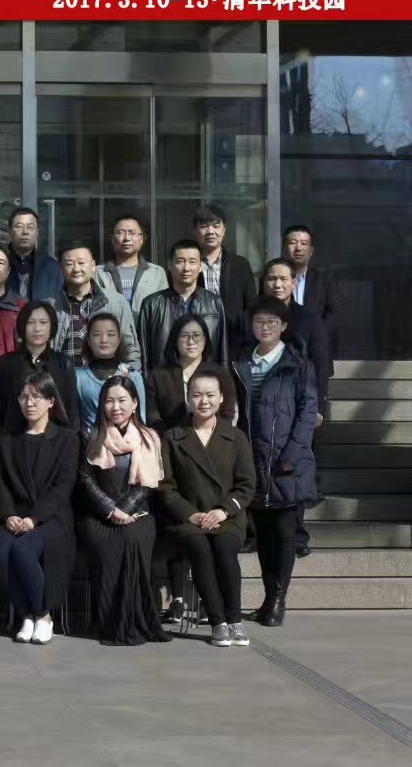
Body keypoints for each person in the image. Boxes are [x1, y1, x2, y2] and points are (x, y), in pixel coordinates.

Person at [230, 298, 319, 627]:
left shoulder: (297, 364)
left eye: (272, 322)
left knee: (284, 534)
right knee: (264, 535)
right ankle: (268, 598)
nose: (265, 327)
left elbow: (307, 412)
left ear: (283, 327)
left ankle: (278, 600)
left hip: (285, 461)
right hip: (253, 459)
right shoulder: (241, 363)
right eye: (259, 321)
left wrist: (292, 455)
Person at [159, 366, 256, 648]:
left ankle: (234, 619)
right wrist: (191, 514)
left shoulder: (236, 437)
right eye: (197, 395)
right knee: (200, 548)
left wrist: (223, 510)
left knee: (225, 547)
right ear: (188, 398)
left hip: (227, 516)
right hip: (188, 517)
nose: (204, 401)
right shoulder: (173, 437)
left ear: (221, 398)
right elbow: (165, 486)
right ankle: (218, 622)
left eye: (210, 395)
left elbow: (246, 485)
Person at [76, 376, 171, 646]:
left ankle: (135, 621)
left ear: (135, 403)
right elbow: (85, 479)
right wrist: (110, 509)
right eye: (109, 401)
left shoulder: (149, 438)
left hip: (138, 512)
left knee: (132, 541)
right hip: (98, 514)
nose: (115, 407)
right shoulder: (90, 435)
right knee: (105, 545)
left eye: (122, 400)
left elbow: (149, 483)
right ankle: (108, 623)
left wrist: (126, 508)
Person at [0, 372, 79, 646]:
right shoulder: (7, 439)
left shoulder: (67, 439)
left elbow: (62, 487)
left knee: (23, 549)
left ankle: (43, 615)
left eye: (37, 397)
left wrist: (34, 518)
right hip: (13, 516)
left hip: (51, 518)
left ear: (51, 401)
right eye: (24, 397)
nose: (29, 403)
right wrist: (9, 515)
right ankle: (26, 614)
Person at [136, 238, 228, 373]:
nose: (186, 268)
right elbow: (143, 357)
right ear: (169, 265)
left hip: (204, 380)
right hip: (165, 380)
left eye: (192, 262)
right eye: (180, 261)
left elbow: (222, 353)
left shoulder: (214, 302)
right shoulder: (151, 304)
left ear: (200, 266)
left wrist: (222, 381)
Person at [259, 258, 331, 425]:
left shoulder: (310, 319)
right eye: (272, 279)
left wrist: (319, 407)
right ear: (264, 283)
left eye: (283, 279)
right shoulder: (248, 318)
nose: (277, 284)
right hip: (258, 401)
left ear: (294, 283)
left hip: (299, 400)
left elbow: (320, 363)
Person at [52, 241, 140, 371]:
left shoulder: (116, 302)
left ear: (93, 266)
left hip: (106, 378)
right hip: (63, 378)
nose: (76, 269)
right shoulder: (51, 305)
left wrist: (131, 375)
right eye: (69, 264)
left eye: (81, 263)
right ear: (61, 269)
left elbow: (130, 348)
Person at [0, 301, 78, 435]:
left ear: (52, 326)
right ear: (22, 326)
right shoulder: (6, 364)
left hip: (57, 440)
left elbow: (72, 410)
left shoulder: (64, 364)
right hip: (15, 439)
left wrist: (73, 440)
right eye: (31, 322)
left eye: (43, 322)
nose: (37, 328)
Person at [144, 315, 236, 432]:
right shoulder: (158, 375)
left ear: (205, 339)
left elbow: (227, 414)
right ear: (175, 340)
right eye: (184, 336)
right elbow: (153, 417)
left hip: (213, 439)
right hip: (169, 440)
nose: (191, 341)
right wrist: (173, 437)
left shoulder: (219, 374)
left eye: (196, 335)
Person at [193, 204, 258, 347]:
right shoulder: (189, 265)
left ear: (224, 229)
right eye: (204, 226)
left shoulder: (240, 265)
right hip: (196, 339)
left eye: (216, 226)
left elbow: (251, 307)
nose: (211, 231)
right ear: (195, 231)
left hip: (233, 340)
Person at [74, 313, 146, 432]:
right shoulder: (78, 376)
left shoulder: (133, 376)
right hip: (91, 441)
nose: (104, 340)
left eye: (110, 334)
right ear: (88, 340)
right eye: (97, 334)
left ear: (119, 340)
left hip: (129, 440)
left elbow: (141, 419)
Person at [95, 213, 169, 313]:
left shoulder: (157, 273)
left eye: (132, 233)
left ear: (142, 239)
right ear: (112, 239)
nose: (127, 238)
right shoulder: (98, 273)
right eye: (120, 233)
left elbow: (163, 310)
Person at [5, 206, 63, 304]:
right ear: (9, 232)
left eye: (30, 227)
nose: (25, 232)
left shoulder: (52, 266)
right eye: (19, 226)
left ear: (37, 233)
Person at [283, 224, 334, 322]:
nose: (298, 248)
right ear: (284, 249)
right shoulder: (272, 279)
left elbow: (332, 316)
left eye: (304, 243)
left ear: (311, 251)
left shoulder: (324, 281)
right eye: (292, 242)